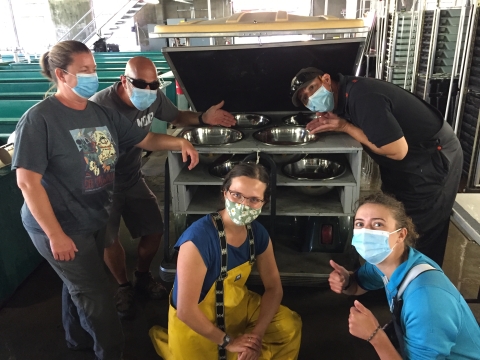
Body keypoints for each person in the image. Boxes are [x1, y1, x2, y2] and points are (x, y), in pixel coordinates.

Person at [11, 40, 199, 360]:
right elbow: (27, 182)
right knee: (98, 299)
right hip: (59, 223)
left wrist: (179, 144)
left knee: (79, 286)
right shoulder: (40, 119)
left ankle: (76, 339)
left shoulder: (99, 112)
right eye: (84, 71)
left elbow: (145, 138)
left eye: (94, 69)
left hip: (92, 215)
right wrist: (56, 234)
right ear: (62, 74)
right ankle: (111, 352)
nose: (92, 76)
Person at [90, 56, 236, 319]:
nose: (148, 90)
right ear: (124, 80)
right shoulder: (100, 106)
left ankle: (142, 275)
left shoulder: (153, 97)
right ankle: (123, 286)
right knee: (108, 238)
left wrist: (203, 117)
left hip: (132, 175)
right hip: (102, 182)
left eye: (154, 84)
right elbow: (146, 140)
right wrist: (178, 143)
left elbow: (178, 116)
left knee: (155, 229)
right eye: (140, 84)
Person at [290, 67, 463, 267]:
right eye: (305, 97)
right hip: (407, 164)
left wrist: (345, 127)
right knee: (393, 219)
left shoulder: (364, 97)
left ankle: (416, 286)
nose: (311, 97)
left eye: (312, 88)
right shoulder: (347, 94)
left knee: (417, 229)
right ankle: (388, 280)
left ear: (327, 79)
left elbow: (397, 150)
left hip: (431, 160)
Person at [149, 162, 302, 360]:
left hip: (237, 308)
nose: (244, 205)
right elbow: (186, 311)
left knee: (289, 326)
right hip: (196, 324)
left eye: (254, 199)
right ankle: (167, 341)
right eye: (237, 195)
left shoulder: (257, 234)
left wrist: (257, 335)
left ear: (264, 203)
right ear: (224, 193)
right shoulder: (198, 239)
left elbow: (274, 288)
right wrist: (228, 342)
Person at [328, 192, 480, 359]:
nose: (366, 233)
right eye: (360, 224)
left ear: (401, 234)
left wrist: (375, 335)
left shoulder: (426, 301)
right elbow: (358, 286)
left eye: (378, 225)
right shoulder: (389, 262)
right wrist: (346, 281)